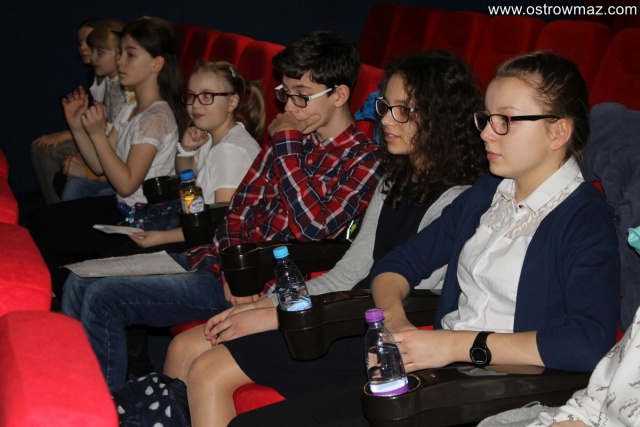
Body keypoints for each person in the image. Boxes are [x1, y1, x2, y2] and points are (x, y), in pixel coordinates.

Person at [225, 51, 621, 427]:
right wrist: (397, 327)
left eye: (506, 120)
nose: (487, 133)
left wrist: (454, 346)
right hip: (444, 375)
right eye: (486, 118)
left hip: (504, 393)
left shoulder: (584, 217)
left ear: (558, 131)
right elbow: (397, 264)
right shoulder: (488, 192)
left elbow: (586, 342)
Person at [161, 49, 488, 427]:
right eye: (385, 106)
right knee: (184, 346)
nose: (385, 119)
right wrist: (265, 305)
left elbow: (414, 297)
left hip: (373, 332)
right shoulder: (394, 180)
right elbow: (348, 272)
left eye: (402, 110)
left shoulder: (458, 199)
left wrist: (278, 317)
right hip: (341, 312)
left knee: (209, 370)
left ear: (439, 117)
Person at [61, 30, 382, 392]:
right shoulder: (289, 140)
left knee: (103, 298)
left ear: (339, 95)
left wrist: (287, 145)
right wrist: (232, 266)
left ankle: (98, 407)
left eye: (301, 96)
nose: (289, 108)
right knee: (78, 282)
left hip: (262, 286)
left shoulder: (364, 160)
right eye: (285, 94)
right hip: (222, 266)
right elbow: (238, 210)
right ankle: (71, 396)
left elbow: (313, 227)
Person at [27, 16, 188, 298]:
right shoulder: (132, 109)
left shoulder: (156, 117)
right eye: (121, 53)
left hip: (144, 219)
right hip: (123, 207)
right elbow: (99, 166)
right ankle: (48, 296)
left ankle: (58, 299)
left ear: (156, 64)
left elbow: (126, 183)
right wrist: (78, 126)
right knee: (38, 221)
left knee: (51, 235)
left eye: (130, 54)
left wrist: (98, 135)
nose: (120, 61)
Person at [130, 60, 264, 249]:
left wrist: (161, 238)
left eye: (207, 96)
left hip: (217, 249)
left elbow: (223, 222)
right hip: (201, 233)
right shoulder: (212, 137)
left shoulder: (230, 150)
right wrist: (187, 148)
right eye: (191, 96)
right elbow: (186, 174)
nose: (195, 105)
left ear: (232, 102)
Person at [30, 18, 107, 204]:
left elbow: (112, 128)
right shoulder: (94, 76)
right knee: (40, 147)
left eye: (90, 41)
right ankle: (56, 211)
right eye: (80, 43)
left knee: (47, 150)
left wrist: (69, 134)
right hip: (97, 138)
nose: (83, 47)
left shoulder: (122, 80)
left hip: (106, 144)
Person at [60, 20, 131, 201]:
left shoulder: (131, 96)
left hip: (127, 180)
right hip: (111, 166)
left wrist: (88, 171)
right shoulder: (111, 84)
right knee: (74, 185)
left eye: (100, 52)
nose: (92, 58)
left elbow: (125, 159)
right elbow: (106, 149)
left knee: (87, 190)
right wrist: (76, 125)